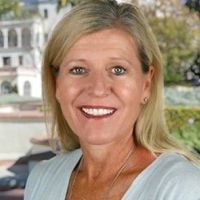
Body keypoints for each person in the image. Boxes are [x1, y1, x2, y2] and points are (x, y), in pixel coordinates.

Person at [24, 0, 200, 199]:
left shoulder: (182, 188)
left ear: (146, 85)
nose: (98, 89)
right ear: (56, 84)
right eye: (78, 70)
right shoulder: (41, 179)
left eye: (118, 69)